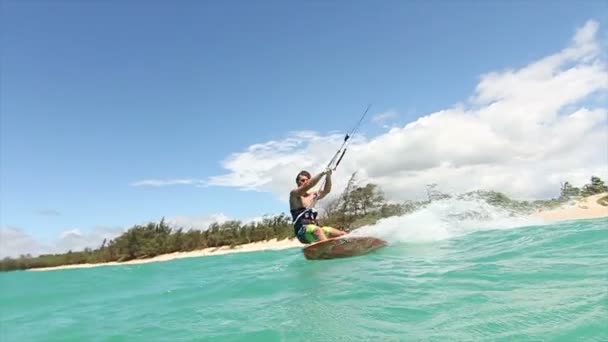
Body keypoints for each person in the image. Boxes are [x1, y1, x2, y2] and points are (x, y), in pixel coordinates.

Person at [289, 168, 346, 244]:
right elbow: (307, 186)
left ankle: (350, 245)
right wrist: (322, 173)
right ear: (297, 182)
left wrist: (328, 176)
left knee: (338, 233)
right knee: (317, 230)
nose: (305, 182)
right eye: (302, 180)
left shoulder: (313, 195)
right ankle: (327, 249)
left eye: (307, 180)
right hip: (302, 233)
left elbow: (327, 190)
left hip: (314, 229)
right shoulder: (294, 194)